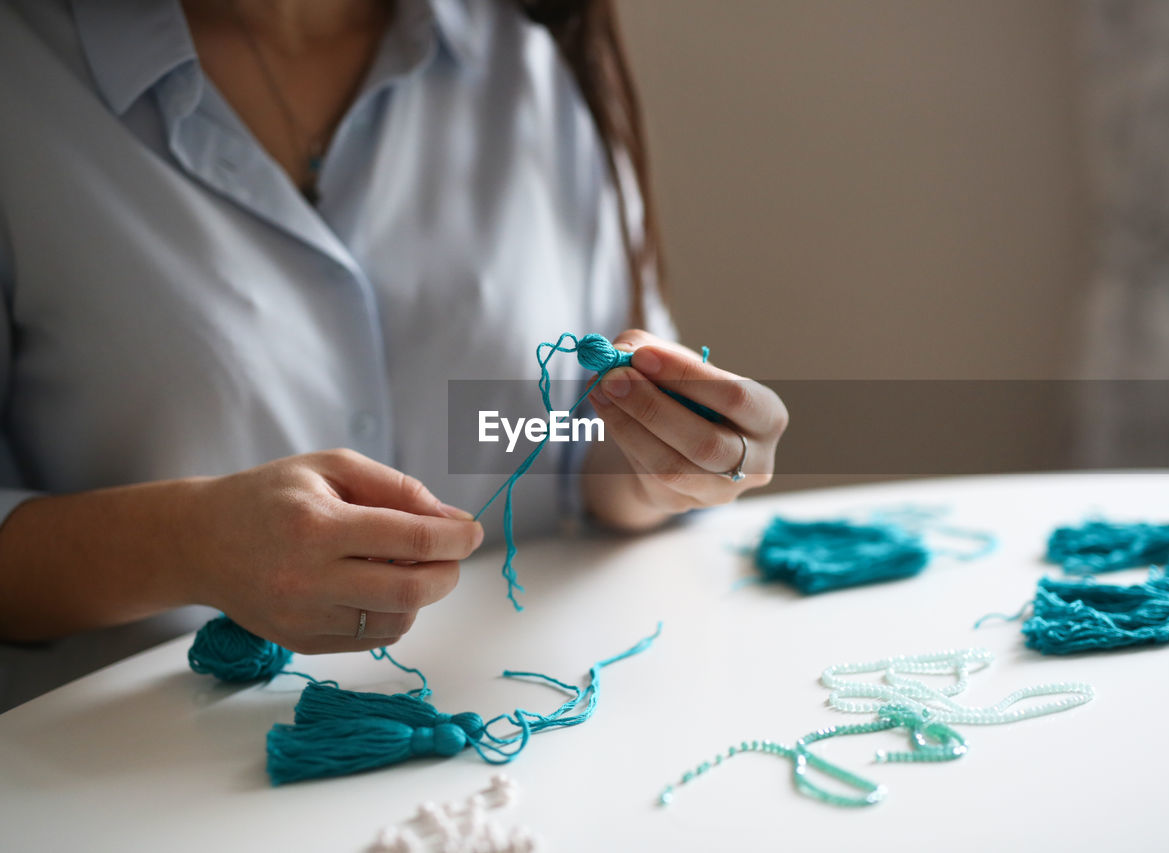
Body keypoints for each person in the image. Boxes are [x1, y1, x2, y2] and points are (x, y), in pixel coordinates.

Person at [0, 0, 788, 711]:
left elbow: (584, 451)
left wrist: (666, 459)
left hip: (526, 735)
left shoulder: (530, 55)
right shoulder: (25, 79)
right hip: (139, 782)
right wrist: (191, 542)